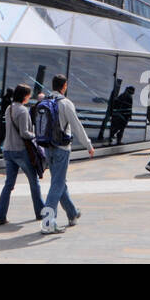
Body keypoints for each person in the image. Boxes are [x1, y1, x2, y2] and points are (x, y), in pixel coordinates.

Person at [37, 74, 94, 234]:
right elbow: (76, 125)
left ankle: (72, 213)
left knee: (59, 182)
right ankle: (48, 222)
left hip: (47, 147)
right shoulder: (65, 103)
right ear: (65, 86)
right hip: (62, 148)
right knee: (57, 184)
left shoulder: (45, 101)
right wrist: (88, 145)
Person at [0, 83, 43, 224]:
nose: (30, 97)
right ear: (24, 96)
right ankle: (40, 212)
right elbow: (24, 133)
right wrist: (36, 135)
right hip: (20, 151)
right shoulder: (22, 111)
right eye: (29, 94)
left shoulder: (9, 108)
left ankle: (0, 215)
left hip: (7, 150)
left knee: (9, 184)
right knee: (34, 182)